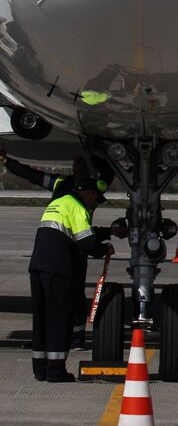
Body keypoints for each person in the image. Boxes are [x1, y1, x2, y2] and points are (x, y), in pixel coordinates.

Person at [3, 148, 116, 352]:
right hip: (66, 249)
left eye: (83, 163)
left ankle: (74, 337)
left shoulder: (94, 185)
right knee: (60, 298)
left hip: (72, 248)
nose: (78, 167)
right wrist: (7, 162)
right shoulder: (63, 184)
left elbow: (84, 233)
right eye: (77, 163)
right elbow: (32, 175)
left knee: (72, 296)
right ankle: (62, 338)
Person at [29, 177, 111, 381]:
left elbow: (67, 234)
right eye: (95, 200)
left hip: (38, 267)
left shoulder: (58, 203)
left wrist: (107, 233)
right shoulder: (78, 208)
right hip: (57, 270)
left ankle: (40, 369)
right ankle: (56, 371)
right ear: (89, 194)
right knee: (58, 319)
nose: (94, 205)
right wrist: (105, 248)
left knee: (41, 319)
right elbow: (87, 242)